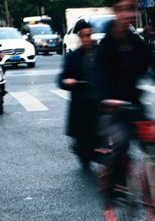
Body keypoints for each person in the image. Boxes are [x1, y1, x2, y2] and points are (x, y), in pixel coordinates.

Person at [94, 0, 155, 221]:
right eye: (122, 9)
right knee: (119, 144)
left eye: (130, 9)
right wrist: (106, 99)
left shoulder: (135, 41)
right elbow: (98, 76)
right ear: (115, 12)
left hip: (134, 105)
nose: (127, 14)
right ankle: (112, 194)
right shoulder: (106, 45)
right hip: (111, 109)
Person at [59, 20, 98, 168]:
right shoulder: (72, 57)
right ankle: (83, 148)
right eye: (85, 36)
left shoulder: (100, 54)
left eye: (90, 35)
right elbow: (61, 79)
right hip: (82, 101)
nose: (88, 39)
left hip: (100, 99)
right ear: (80, 37)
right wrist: (68, 81)